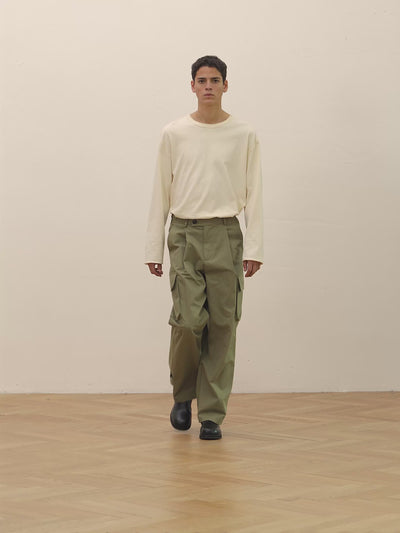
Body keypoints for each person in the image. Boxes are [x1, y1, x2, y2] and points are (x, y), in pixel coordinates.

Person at [145, 55, 263, 440]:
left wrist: (254, 246)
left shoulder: (243, 134)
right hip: (185, 234)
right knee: (188, 321)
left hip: (227, 233)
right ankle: (182, 394)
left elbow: (255, 191)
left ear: (226, 85)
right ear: (192, 86)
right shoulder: (174, 133)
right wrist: (153, 249)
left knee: (223, 325)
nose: (208, 86)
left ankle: (211, 415)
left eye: (215, 80)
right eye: (202, 80)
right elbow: (161, 190)